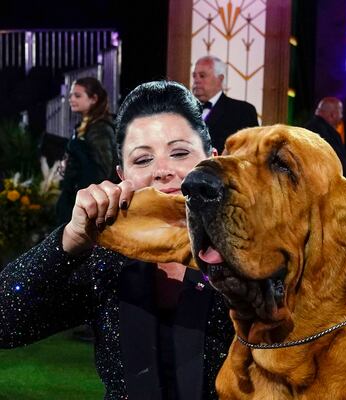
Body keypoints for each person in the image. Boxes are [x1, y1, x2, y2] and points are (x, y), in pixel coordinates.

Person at [0, 81, 233, 400]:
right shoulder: (105, 259)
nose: (162, 171)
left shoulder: (252, 255)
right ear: (122, 175)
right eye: (142, 160)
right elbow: (5, 322)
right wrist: (69, 239)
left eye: (179, 153)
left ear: (212, 160)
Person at [56, 77, 119, 225]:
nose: (71, 99)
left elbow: (103, 171)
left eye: (77, 95)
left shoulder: (99, 129)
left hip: (94, 206)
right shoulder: (86, 125)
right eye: (71, 95)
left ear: (93, 99)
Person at [191, 56, 259, 153]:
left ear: (220, 79)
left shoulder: (242, 111)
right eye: (194, 76)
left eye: (202, 76)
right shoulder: (182, 110)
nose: (196, 81)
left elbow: (250, 152)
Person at [304, 97, 346, 177]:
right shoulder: (330, 134)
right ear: (333, 115)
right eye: (341, 113)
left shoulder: (305, 130)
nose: (341, 117)